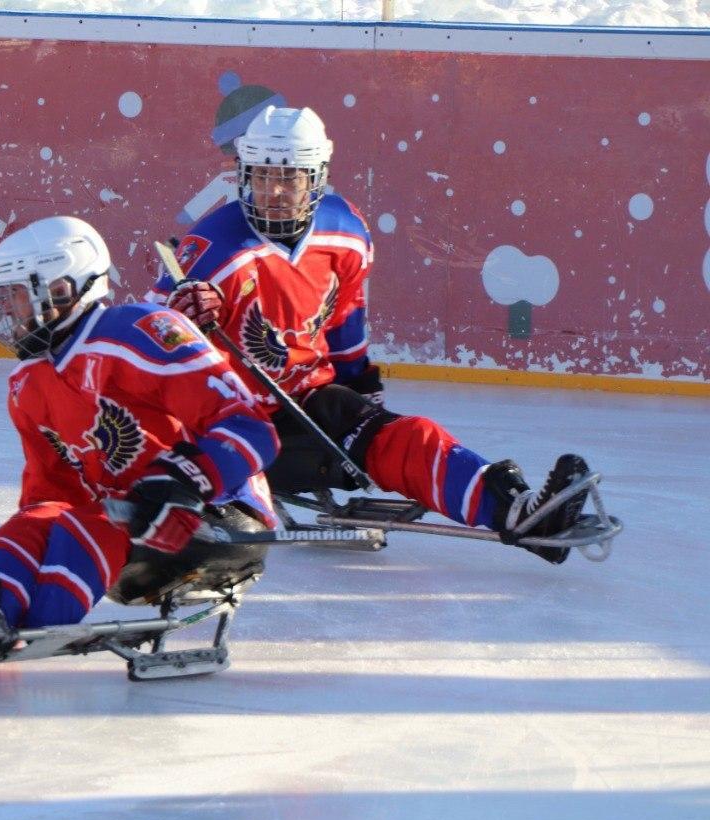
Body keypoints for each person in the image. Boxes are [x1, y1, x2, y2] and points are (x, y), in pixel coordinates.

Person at [152, 105, 594, 564]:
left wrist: (360, 390)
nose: (274, 191)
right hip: (231, 419)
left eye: (290, 177)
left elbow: (344, 318)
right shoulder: (210, 246)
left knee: (408, 437)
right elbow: (148, 339)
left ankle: (522, 511)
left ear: (316, 176)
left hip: (308, 401)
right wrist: (180, 319)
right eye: (262, 177)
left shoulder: (344, 231)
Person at [0, 215, 281, 681]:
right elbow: (48, 497)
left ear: (61, 289)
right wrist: (8, 566)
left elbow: (252, 428)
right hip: (130, 527)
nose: (9, 312)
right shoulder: (27, 385)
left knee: (88, 522)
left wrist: (186, 480)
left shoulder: (142, 331)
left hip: (218, 517)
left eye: (17, 294)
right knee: (35, 520)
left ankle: (10, 630)